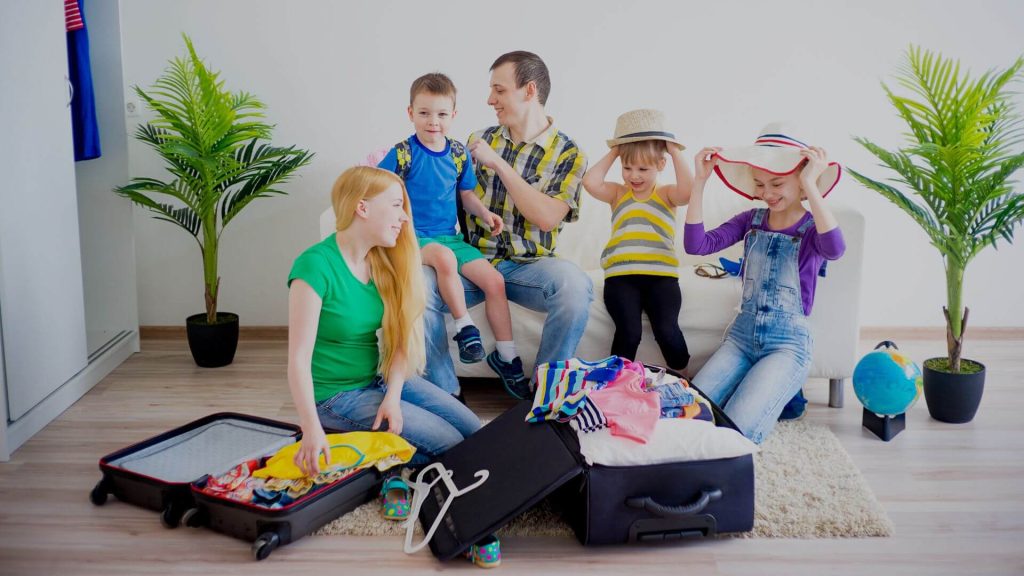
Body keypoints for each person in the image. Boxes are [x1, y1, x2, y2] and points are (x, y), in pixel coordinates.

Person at [286, 166, 481, 519]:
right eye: (395, 205)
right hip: (335, 395)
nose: (404, 217)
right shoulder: (314, 266)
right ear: (362, 207)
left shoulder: (380, 261)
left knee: (473, 431)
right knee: (452, 445)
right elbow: (298, 360)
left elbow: (400, 340)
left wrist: (393, 397)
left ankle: (386, 455)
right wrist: (311, 429)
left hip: (378, 378)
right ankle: (387, 468)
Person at [422, 51, 592, 400]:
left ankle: (545, 392)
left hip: (530, 267)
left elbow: (547, 217)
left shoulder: (568, 153)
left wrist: (498, 163)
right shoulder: (477, 139)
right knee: (417, 287)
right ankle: (447, 396)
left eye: (499, 90)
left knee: (575, 286)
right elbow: (448, 193)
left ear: (529, 91)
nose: (490, 100)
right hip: (472, 261)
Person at [684, 123, 845, 443]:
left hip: (787, 345)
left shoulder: (812, 230)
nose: (767, 193)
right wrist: (700, 182)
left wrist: (811, 185)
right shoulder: (751, 220)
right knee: (688, 412)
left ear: (800, 179)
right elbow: (696, 245)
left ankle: (784, 393)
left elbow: (836, 249)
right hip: (741, 339)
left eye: (777, 183)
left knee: (736, 430)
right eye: (760, 184)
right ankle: (782, 397)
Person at [378, 73, 521, 374]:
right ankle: (465, 329)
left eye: (442, 114)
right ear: (410, 113)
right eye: (424, 113)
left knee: (495, 281)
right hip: (414, 237)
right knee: (444, 259)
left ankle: (508, 358)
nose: (433, 122)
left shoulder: (458, 154)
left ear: (453, 115)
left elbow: (465, 194)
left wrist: (484, 213)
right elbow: (377, 188)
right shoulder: (402, 153)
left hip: (450, 238)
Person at [583, 108, 694, 371]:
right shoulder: (617, 193)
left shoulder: (667, 194)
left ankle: (683, 378)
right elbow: (590, 182)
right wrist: (616, 150)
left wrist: (674, 150)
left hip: (661, 278)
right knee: (629, 333)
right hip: (621, 278)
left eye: (643, 168)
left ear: (661, 165)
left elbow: (689, 191)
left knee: (667, 331)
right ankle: (617, 381)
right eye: (627, 167)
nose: (634, 176)